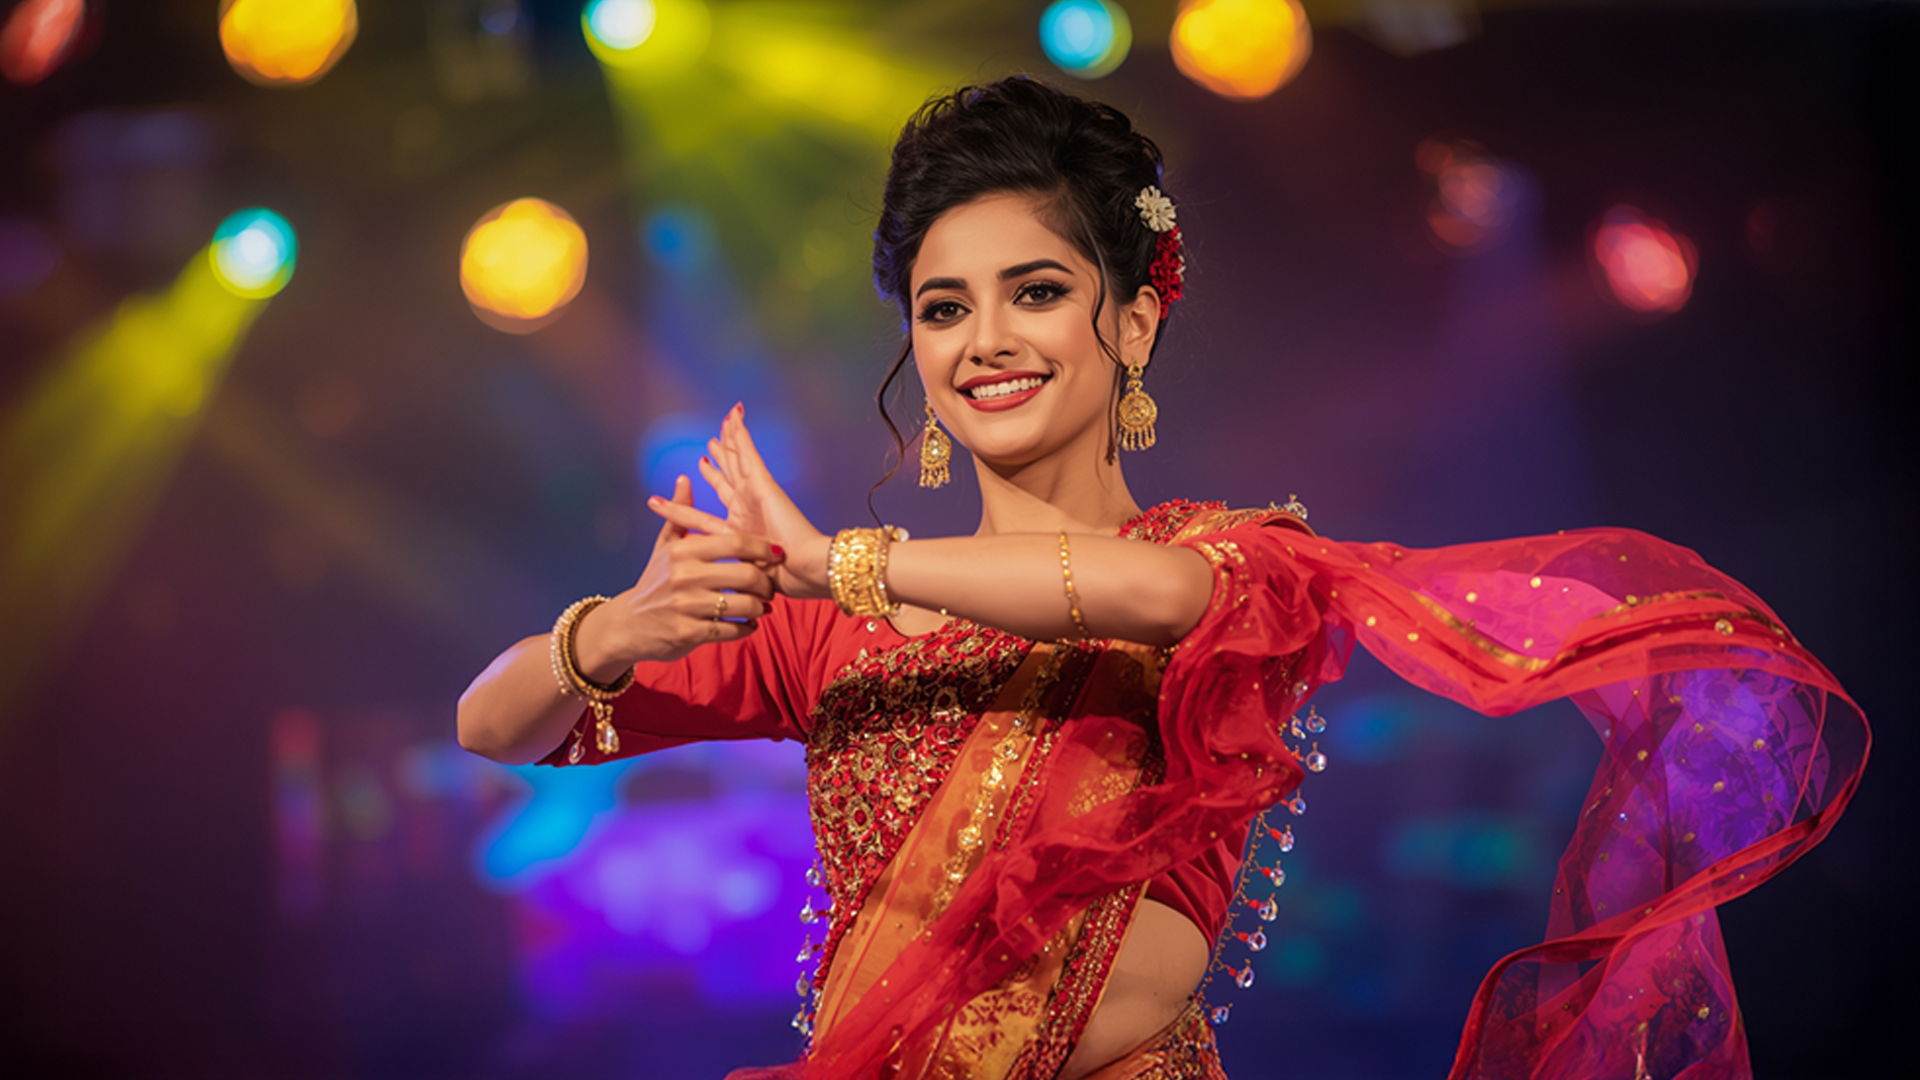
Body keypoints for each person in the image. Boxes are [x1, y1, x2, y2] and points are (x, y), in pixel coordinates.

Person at [457, 77, 1867, 1080]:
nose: (984, 340)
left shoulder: (1231, 563)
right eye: (944, 307)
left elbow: (1147, 602)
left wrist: (845, 558)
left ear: (1132, 320)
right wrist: (607, 634)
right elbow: (489, 724)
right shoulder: (828, 631)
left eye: (1037, 291)